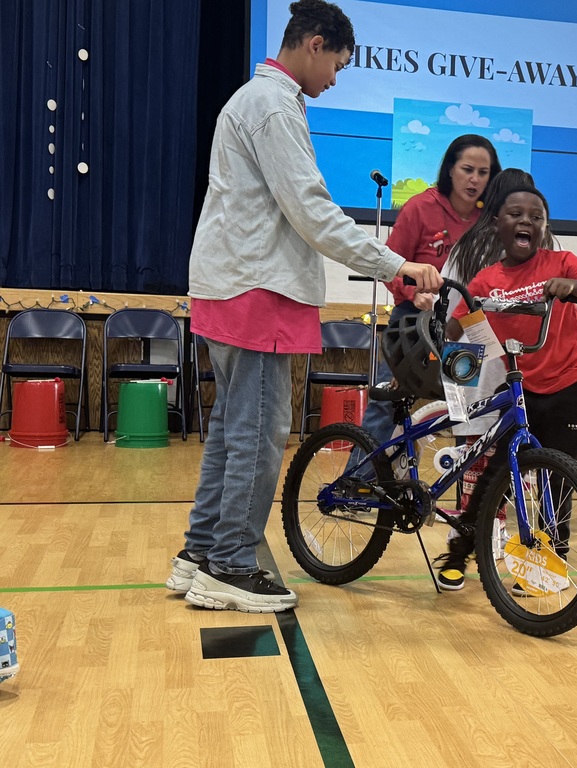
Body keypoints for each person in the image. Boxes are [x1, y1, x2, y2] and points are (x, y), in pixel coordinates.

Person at [166, 0, 441, 613]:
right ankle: (231, 566)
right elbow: (312, 212)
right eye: (337, 65)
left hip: (237, 284)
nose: (336, 80)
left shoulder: (262, 101)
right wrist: (396, 265)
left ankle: (201, 553)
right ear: (314, 44)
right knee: (259, 434)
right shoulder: (272, 105)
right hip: (256, 289)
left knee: (232, 432)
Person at [434, 184, 577, 590]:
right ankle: (459, 553)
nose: (526, 222)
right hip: (522, 393)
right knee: (496, 477)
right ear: (497, 225)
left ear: (544, 228)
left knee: (559, 479)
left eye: (536, 217)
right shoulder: (486, 280)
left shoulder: (562, 262)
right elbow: (456, 328)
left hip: (571, 386)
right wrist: (435, 329)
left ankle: (549, 564)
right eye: (516, 214)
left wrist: (573, 286)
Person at [359, 134, 501, 448]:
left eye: (483, 172)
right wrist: (412, 294)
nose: (475, 179)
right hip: (414, 323)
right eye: (467, 169)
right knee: (387, 403)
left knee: (468, 409)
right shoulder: (421, 207)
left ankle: (467, 478)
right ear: (450, 169)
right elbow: (389, 265)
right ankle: (361, 474)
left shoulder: (490, 218)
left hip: (464, 327)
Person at [439, 169, 554, 524]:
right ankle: (498, 528)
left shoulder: (465, 246)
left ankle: (468, 527)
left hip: (464, 354)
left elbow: (447, 307)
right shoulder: (544, 246)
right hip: (511, 355)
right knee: (511, 444)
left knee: (472, 445)